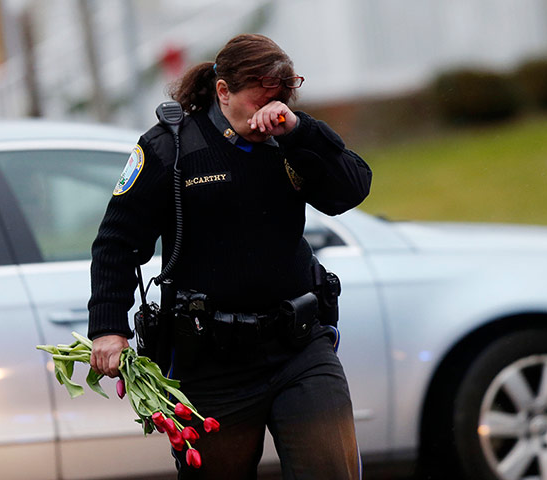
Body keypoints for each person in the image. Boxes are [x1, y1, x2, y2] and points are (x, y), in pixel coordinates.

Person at [88, 33, 372, 480]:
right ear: (223, 91)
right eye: (258, 101)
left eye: (278, 103)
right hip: (212, 364)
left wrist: (298, 131)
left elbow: (350, 190)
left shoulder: (289, 137)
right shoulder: (172, 147)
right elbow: (117, 241)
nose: (267, 115)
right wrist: (108, 327)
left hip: (298, 347)